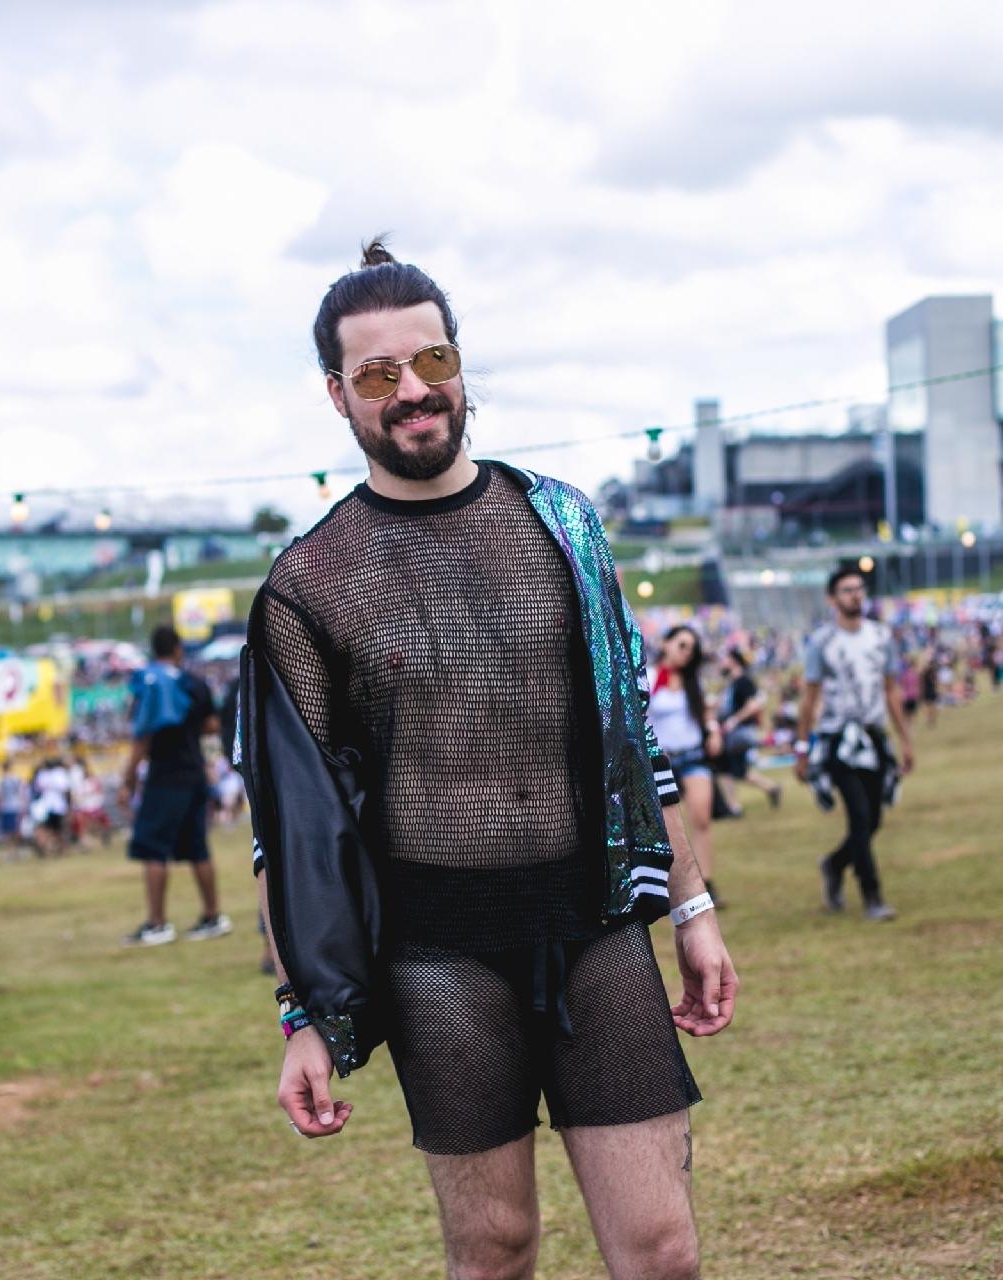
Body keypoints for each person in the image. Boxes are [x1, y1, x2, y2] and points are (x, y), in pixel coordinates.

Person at [240, 240, 735, 1280]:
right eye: (378, 375)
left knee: (663, 1249)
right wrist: (302, 1016)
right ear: (338, 394)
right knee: (495, 1250)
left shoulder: (562, 524)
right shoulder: (308, 586)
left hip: (594, 926)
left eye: (433, 361)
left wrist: (692, 909)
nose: (414, 391)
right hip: (436, 955)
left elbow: (632, 739)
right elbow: (289, 832)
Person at [795, 564, 915, 922]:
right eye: (847, 590)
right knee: (860, 815)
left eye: (859, 588)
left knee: (874, 818)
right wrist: (803, 749)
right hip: (838, 741)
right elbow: (809, 698)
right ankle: (873, 895)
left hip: (874, 736)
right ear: (833, 599)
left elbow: (892, 690)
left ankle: (834, 864)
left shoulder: (881, 637)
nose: (856, 595)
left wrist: (905, 740)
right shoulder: (822, 643)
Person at [122, 626, 229, 946]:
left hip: (164, 774)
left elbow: (143, 734)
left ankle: (157, 924)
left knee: (153, 847)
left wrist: (128, 777)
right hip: (194, 771)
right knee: (197, 847)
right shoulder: (193, 683)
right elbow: (212, 723)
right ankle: (212, 916)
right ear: (179, 649)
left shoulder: (149, 682)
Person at [648, 625, 724, 904]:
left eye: (691, 649)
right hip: (662, 760)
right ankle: (675, 886)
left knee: (701, 819)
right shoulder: (650, 677)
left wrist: (714, 731)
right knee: (667, 829)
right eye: (681, 645)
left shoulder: (693, 681)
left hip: (692, 756)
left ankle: (707, 881)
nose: (686, 653)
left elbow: (705, 713)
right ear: (666, 644)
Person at [713, 647, 781, 815]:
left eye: (725, 658)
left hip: (739, 733)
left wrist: (733, 721)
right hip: (734, 732)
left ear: (734, 661)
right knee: (735, 770)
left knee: (728, 769)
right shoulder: (734, 682)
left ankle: (734, 806)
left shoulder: (743, 681)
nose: (722, 662)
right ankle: (771, 788)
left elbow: (753, 705)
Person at [30, 754, 72, 858]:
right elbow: (66, 790)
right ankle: (59, 848)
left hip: (47, 806)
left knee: (50, 829)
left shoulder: (42, 775)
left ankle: (53, 848)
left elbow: (37, 789)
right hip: (57, 806)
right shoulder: (59, 774)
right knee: (58, 829)